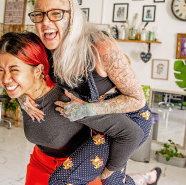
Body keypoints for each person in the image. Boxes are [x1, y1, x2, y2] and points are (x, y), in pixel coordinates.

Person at [18, 0, 161, 184]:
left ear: (72, 15)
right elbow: (15, 70)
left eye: (56, 13)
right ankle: (145, 178)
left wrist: (88, 110)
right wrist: (23, 96)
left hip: (128, 123)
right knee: (114, 181)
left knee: (70, 181)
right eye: (39, 14)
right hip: (98, 127)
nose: (45, 22)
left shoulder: (100, 46)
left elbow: (137, 100)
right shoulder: (44, 48)